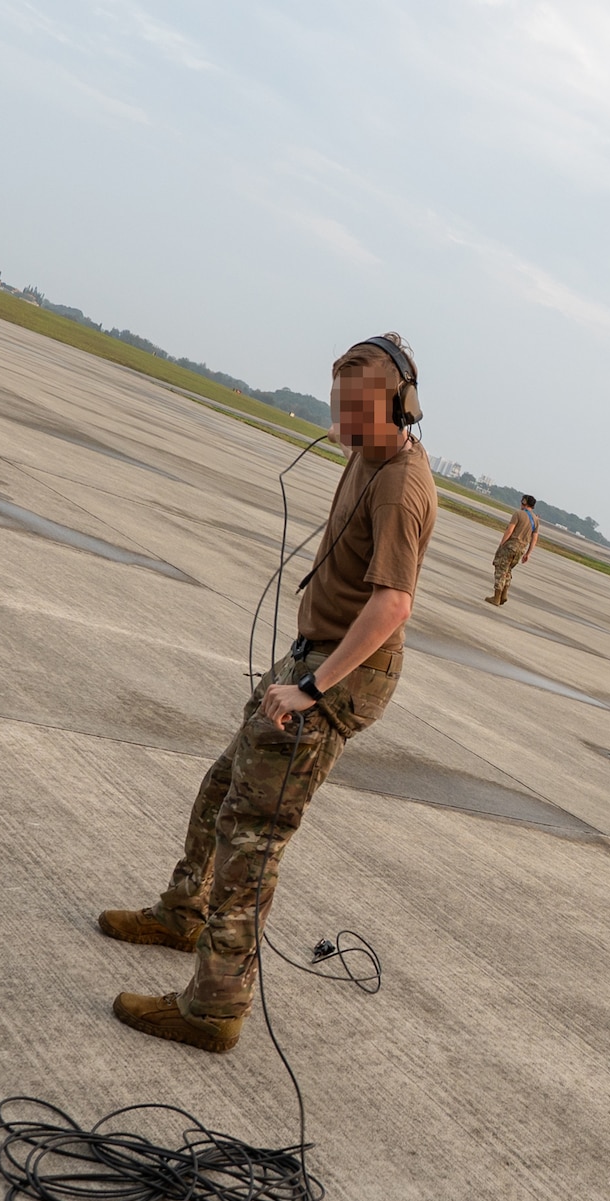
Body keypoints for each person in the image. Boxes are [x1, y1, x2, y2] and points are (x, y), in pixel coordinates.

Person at [99, 334, 437, 1052]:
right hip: (311, 658)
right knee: (224, 786)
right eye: (337, 403)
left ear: (401, 406)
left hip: (337, 677)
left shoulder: (403, 486)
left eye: (357, 409)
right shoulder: (363, 452)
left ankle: (214, 1007)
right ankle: (183, 911)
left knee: (254, 834)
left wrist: (312, 689)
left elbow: (393, 605)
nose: (340, 421)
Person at [489, 494, 539, 606]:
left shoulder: (518, 514)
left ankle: (497, 597)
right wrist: (528, 554)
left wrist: (502, 544)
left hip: (511, 546)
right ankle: (504, 594)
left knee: (501, 569)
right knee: (508, 570)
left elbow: (510, 530)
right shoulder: (536, 520)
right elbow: (534, 539)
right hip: (521, 549)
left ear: (524, 502)